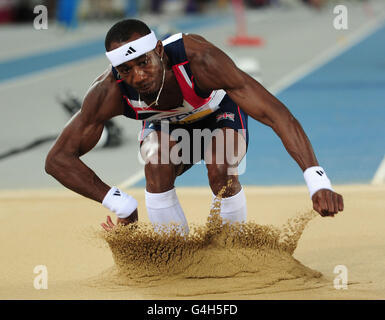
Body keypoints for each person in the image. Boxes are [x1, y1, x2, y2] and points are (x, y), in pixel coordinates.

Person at [45, 19, 344, 234]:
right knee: (156, 160)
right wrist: (119, 203)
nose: (137, 77)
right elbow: (58, 159)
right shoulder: (108, 91)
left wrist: (317, 180)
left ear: (160, 51)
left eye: (144, 63)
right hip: (165, 127)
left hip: (218, 112)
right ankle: (173, 253)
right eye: (126, 69)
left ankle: (233, 247)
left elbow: (277, 114)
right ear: (116, 71)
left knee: (220, 164)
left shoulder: (200, 60)